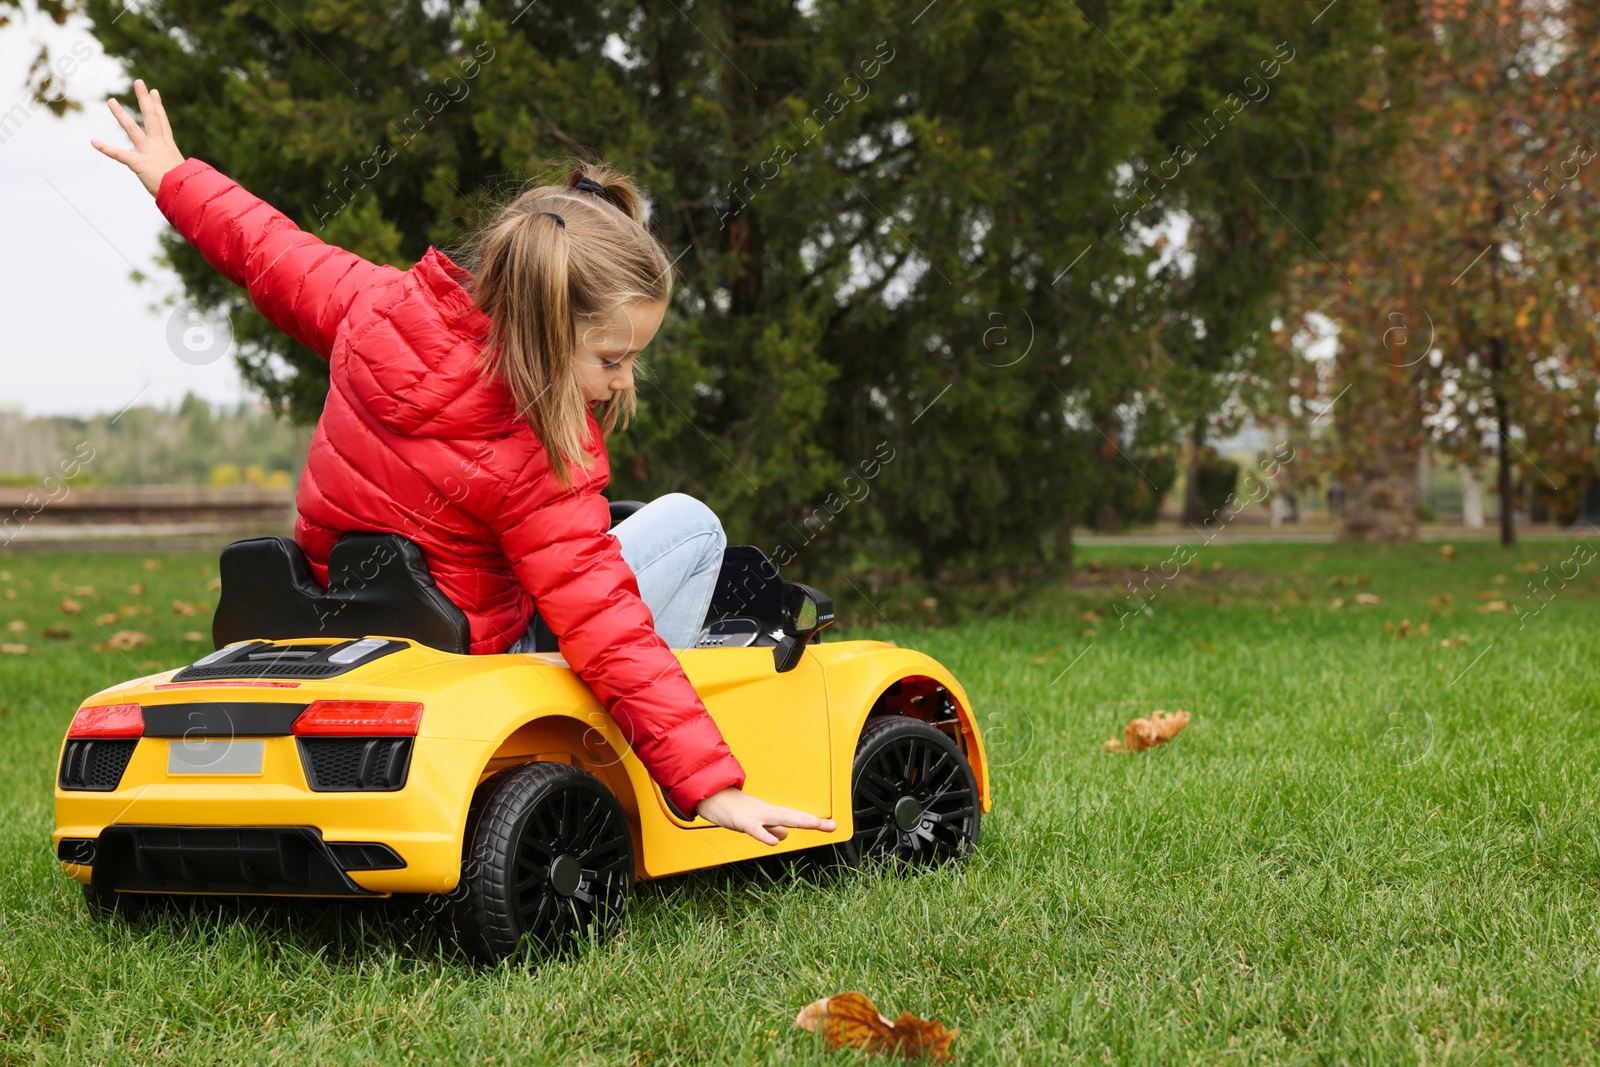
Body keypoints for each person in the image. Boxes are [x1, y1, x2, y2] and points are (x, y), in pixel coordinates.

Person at [92, 79, 835, 847]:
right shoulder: (535, 451)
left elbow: (270, 252)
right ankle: (633, 743)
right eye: (614, 358)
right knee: (692, 526)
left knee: (600, 544)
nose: (623, 382)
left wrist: (174, 175)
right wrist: (713, 785)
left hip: (348, 615)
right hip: (485, 651)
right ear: (549, 327)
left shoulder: (374, 306)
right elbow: (607, 626)